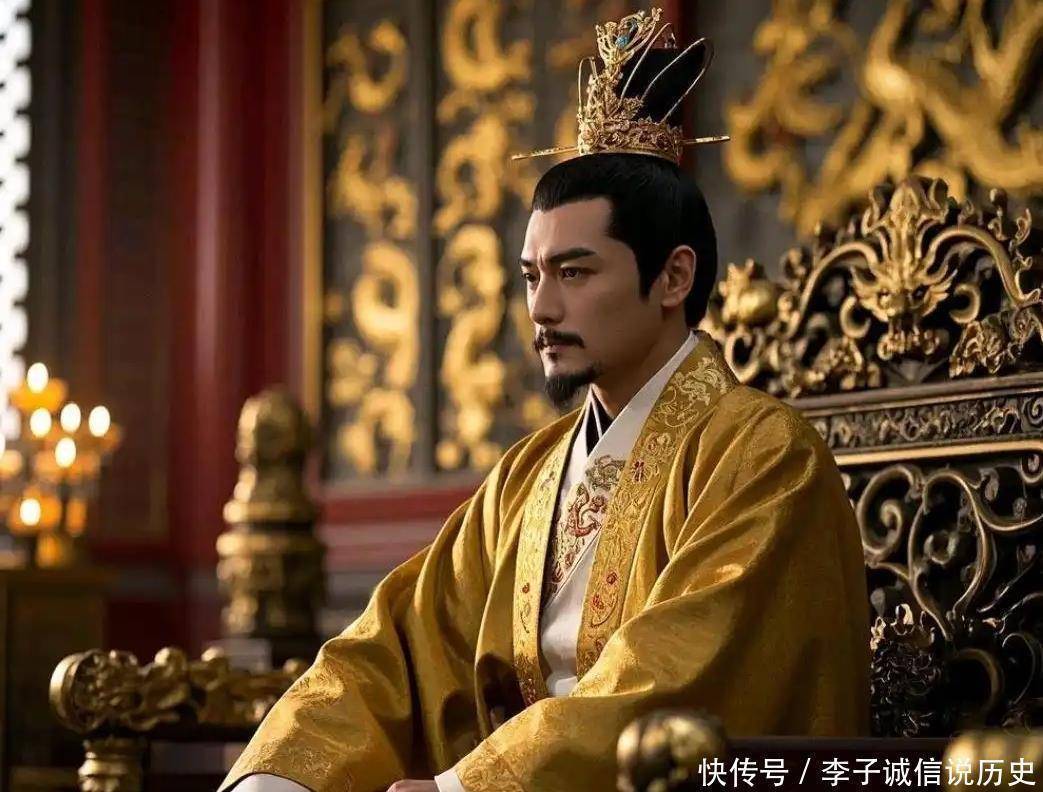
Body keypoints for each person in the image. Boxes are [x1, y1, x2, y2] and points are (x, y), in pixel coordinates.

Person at [221, 8, 870, 792]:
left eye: (574, 272)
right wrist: (283, 776)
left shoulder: (763, 457)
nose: (541, 308)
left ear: (672, 277)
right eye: (531, 276)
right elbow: (400, 649)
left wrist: (465, 787)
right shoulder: (527, 475)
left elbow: (678, 680)